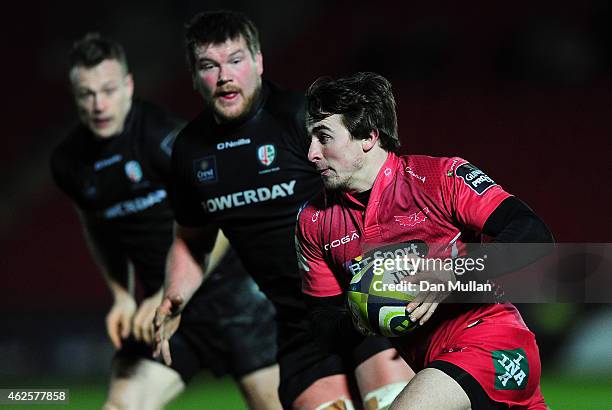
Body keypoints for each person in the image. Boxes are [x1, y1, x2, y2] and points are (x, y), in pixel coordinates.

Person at [153, 11, 413, 410]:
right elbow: (192, 240)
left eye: (236, 60)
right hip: (301, 324)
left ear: (258, 62)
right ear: (194, 75)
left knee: (391, 402)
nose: (225, 75)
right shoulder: (190, 152)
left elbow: (384, 184)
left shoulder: (300, 118)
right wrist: (175, 295)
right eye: (210, 65)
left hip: (365, 297)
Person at [296, 72, 554, 409]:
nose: (311, 153)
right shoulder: (313, 220)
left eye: (324, 137)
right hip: (434, 365)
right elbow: (322, 325)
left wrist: (453, 273)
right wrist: (357, 318)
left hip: (493, 344)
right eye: (310, 139)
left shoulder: (440, 178)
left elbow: (533, 233)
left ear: (368, 136)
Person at [50, 32, 280, 410]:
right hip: (165, 313)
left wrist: (168, 293)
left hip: (235, 301)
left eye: (108, 89)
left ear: (128, 86)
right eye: (86, 94)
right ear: (75, 98)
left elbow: (222, 217)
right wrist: (122, 295)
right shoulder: (68, 163)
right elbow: (97, 225)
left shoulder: (165, 138)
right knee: (122, 405)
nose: (99, 104)